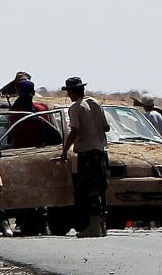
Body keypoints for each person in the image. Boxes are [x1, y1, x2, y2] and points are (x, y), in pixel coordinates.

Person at [59, 77, 110, 238]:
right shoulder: (96, 103)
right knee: (100, 188)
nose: (68, 95)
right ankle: (101, 226)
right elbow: (106, 127)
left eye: (69, 92)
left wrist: (64, 150)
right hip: (101, 151)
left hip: (87, 153)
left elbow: (74, 130)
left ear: (73, 92)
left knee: (88, 190)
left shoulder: (75, 107)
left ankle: (93, 227)